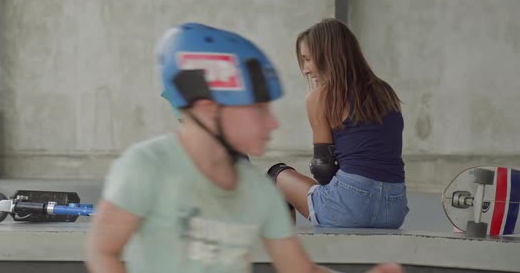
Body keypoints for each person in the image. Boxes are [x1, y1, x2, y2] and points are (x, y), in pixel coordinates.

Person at [86, 22, 404, 273]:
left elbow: (302, 269)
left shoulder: (258, 191)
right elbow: (102, 249)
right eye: (258, 108)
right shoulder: (145, 166)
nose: (273, 123)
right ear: (212, 108)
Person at [267, 18, 409, 229]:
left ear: (327, 57)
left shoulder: (320, 97)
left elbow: (323, 168)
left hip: (351, 203)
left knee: (275, 175)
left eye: (308, 59)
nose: (305, 69)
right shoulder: (385, 92)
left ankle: (285, 257)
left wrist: (334, 195)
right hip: (395, 207)